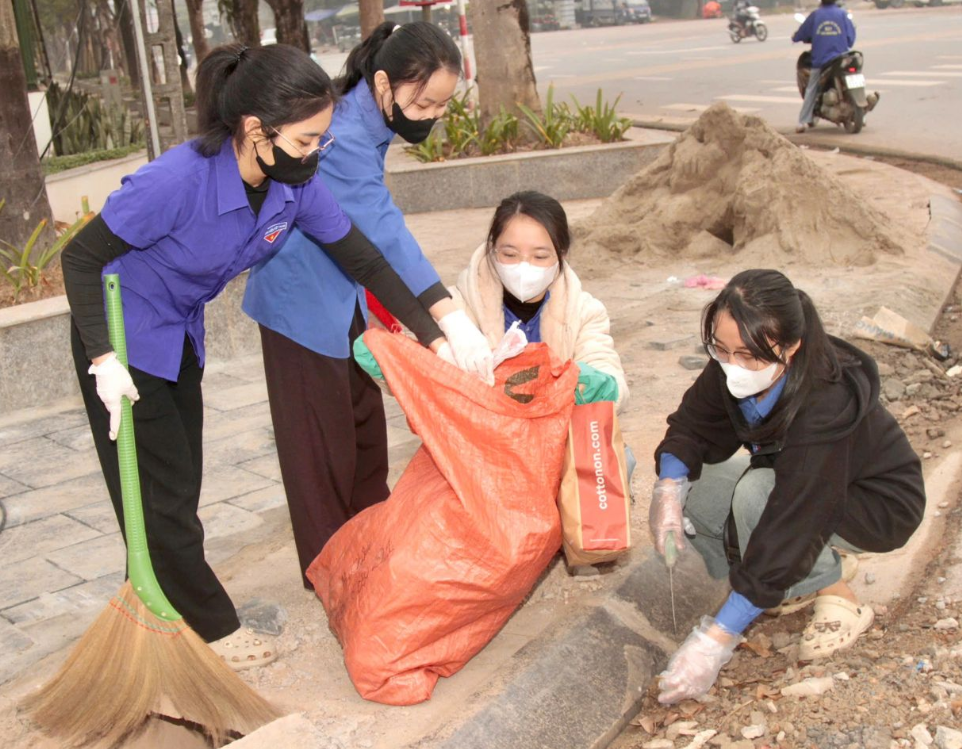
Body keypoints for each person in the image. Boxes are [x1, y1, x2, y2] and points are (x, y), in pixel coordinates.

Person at [61, 43, 483, 671]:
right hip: (123, 338)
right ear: (257, 130)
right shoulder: (176, 181)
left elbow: (365, 259)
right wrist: (101, 355)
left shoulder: (291, 185)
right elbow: (79, 257)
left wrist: (438, 334)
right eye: (307, 139)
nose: (317, 151)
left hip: (178, 334)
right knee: (160, 496)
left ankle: (165, 613)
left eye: (321, 138)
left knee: (176, 485)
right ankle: (214, 631)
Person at [242, 22, 490, 588]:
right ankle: (331, 573)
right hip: (300, 304)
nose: (430, 116)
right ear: (383, 84)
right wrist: (447, 316)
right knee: (319, 451)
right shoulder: (345, 133)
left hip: (345, 300)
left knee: (362, 435)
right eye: (422, 103)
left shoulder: (369, 120)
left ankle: (371, 549)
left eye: (441, 106)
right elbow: (383, 232)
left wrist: (433, 325)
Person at [649, 269, 925, 704]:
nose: (732, 366)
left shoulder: (826, 400)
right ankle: (803, 574)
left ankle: (838, 597)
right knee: (699, 491)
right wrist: (669, 485)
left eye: (749, 356)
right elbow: (693, 426)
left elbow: (795, 518)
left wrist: (716, 640)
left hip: (877, 504)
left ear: (791, 347)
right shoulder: (733, 364)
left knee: (757, 495)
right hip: (803, 483)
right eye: (721, 349)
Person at [448, 191, 629, 411]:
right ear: (493, 249)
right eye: (510, 255)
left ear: (561, 254)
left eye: (540, 256)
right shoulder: (454, 308)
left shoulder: (585, 312)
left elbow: (605, 368)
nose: (524, 266)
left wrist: (599, 386)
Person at [792, 0, 856, 133]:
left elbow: (802, 33)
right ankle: (861, 115)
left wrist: (796, 37)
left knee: (811, 88)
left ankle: (802, 121)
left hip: (821, 61)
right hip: (842, 59)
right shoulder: (842, 14)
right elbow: (851, 38)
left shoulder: (816, 15)